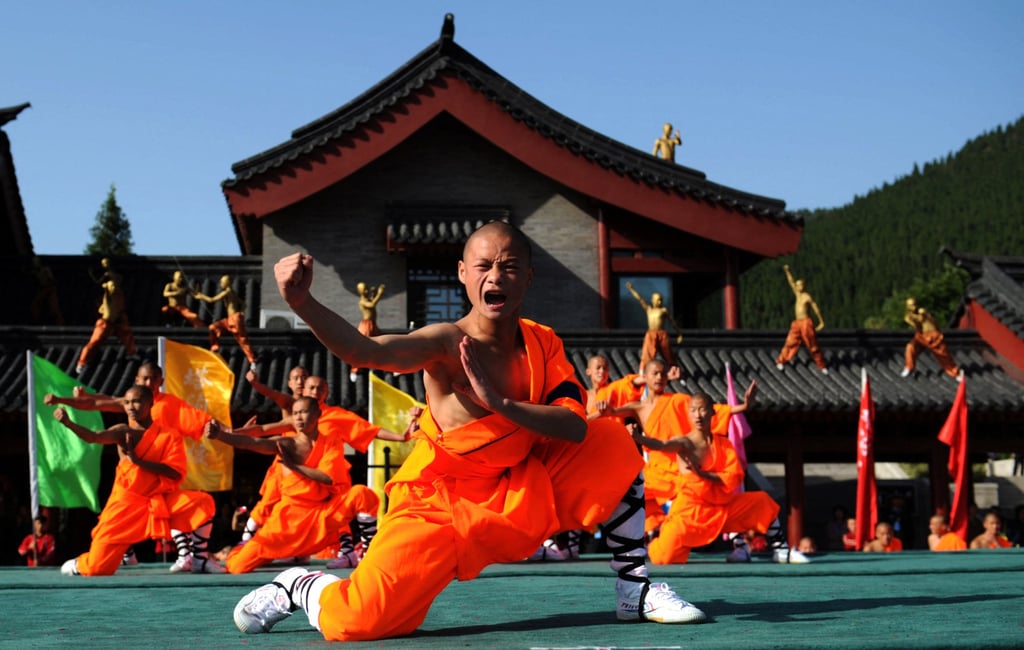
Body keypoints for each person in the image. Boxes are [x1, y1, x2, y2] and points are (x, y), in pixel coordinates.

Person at [233, 221, 706, 641]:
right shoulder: (445, 343)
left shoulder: (543, 342)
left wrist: (501, 404)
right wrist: (302, 302)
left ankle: (635, 591)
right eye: (483, 266)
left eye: (508, 266)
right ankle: (303, 585)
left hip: (517, 479)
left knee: (611, 440)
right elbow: (365, 352)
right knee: (361, 621)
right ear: (463, 273)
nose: (495, 276)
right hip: (437, 502)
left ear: (528, 277)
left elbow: (574, 426)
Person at [44, 361, 225, 573]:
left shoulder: (169, 431)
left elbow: (175, 470)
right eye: (128, 403)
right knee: (97, 568)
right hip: (126, 504)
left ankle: (197, 558)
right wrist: (67, 420)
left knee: (202, 502)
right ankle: (81, 564)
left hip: (158, 499)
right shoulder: (124, 431)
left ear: (151, 404)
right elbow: (94, 432)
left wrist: (139, 462)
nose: (130, 406)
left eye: (137, 402)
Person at [208, 397, 380, 573]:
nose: (298, 418)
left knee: (361, 494)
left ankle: (371, 553)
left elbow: (327, 477)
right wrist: (220, 435)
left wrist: (294, 467)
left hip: (320, 515)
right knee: (237, 566)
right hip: (287, 521)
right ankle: (247, 549)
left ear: (317, 414)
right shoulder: (286, 444)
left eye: (304, 412)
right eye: (295, 413)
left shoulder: (331, 442)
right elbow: (253, 443)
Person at [601, 359, 754, 536]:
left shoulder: (678, 401)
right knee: (629, 495)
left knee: (709, 507)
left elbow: (710, 409)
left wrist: (743, 406)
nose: (659, 377)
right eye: (655, 373)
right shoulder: (637, 407)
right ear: (645, 377)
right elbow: (611, 412)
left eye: (663, 374)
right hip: (655, 472)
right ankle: (655, 528)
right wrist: (601, 409)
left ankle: (737, 539)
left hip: (682, 469)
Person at [627, 390, 780, 565]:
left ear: (713, 412)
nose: (697, 415)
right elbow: (661, 444)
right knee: (663, 557)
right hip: (689, 512)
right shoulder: (684, 443)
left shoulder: (723, 444)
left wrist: (703, 474)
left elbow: (732, 476)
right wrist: (640, 438)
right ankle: (655, 539)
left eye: (702, 409)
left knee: (760, 501)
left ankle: (780, 549)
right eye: (692, 410)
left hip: (720, 508)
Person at [76, 258, 137, 375]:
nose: (113, 286)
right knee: (95, 342)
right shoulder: (107, 293)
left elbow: (118, 279)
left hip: (117, 322)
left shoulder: (119, 292)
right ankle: (82, 362)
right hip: (105, 322)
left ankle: (132, 354)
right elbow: (101, 284)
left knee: (127, 334)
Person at [192, 275, 257, 368]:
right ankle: (214, 347)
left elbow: (212, 300)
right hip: (229, 319)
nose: (221, 284)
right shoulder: (232, 292)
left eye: (222, 282)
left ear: (226, 283)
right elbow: (243, 304)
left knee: (242, 339)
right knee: (213, 327)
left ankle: (252, 359)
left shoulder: (228, 292)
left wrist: (200, 296)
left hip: (235, 319)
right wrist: (241, 312)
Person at [775, 264, 827, 374]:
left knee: (812, 344)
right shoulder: (797, 294)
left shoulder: (806, 296)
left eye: (800, 285)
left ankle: (821, 365)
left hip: (806, 322)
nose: (799, 287)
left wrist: (821, 322)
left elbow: (815, 308)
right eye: (798, 285)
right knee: (790, 342)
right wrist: (787, 271)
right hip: (797, 322)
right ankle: (781, 361)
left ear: (804, 286)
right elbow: (791, 282)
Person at [624, 282, 684, 377]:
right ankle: (643, 372)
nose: (659, 302)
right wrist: (632, 289)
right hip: (651, 333)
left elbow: (672, 322)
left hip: (662, 333)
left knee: (668, 354)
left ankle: (676, 372)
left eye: (661, 300)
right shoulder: (649, 310)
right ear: (653, 300)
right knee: (648, 353)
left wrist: (679, 334)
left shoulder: (663, 310)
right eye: (657, 300)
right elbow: (640, 299)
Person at [901, 297, 959, 379]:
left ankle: (955, 372)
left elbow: (920, 319)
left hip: (932, 335)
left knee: (943, 354)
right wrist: (910, 318)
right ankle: (909, 367)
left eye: (913, 304)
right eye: (910, 305)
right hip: (921, 335)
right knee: (910, 347)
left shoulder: (922, 312)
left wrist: (912, 317)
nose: (912, 307)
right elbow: (915, 325)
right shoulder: (909, 315)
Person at [349, 281, 385, 382]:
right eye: (364, 289)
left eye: (366, 288)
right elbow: (372, 305)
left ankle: (381, 365)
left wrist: (374, 293)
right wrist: (379, 294)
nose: (366, 290)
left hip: (373, 325)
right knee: (361, 347)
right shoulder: (362, 301)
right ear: (360, 292)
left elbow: (372, 301)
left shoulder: (367, 299)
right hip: (366, 326)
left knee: (380, 345)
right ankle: (354, 370)